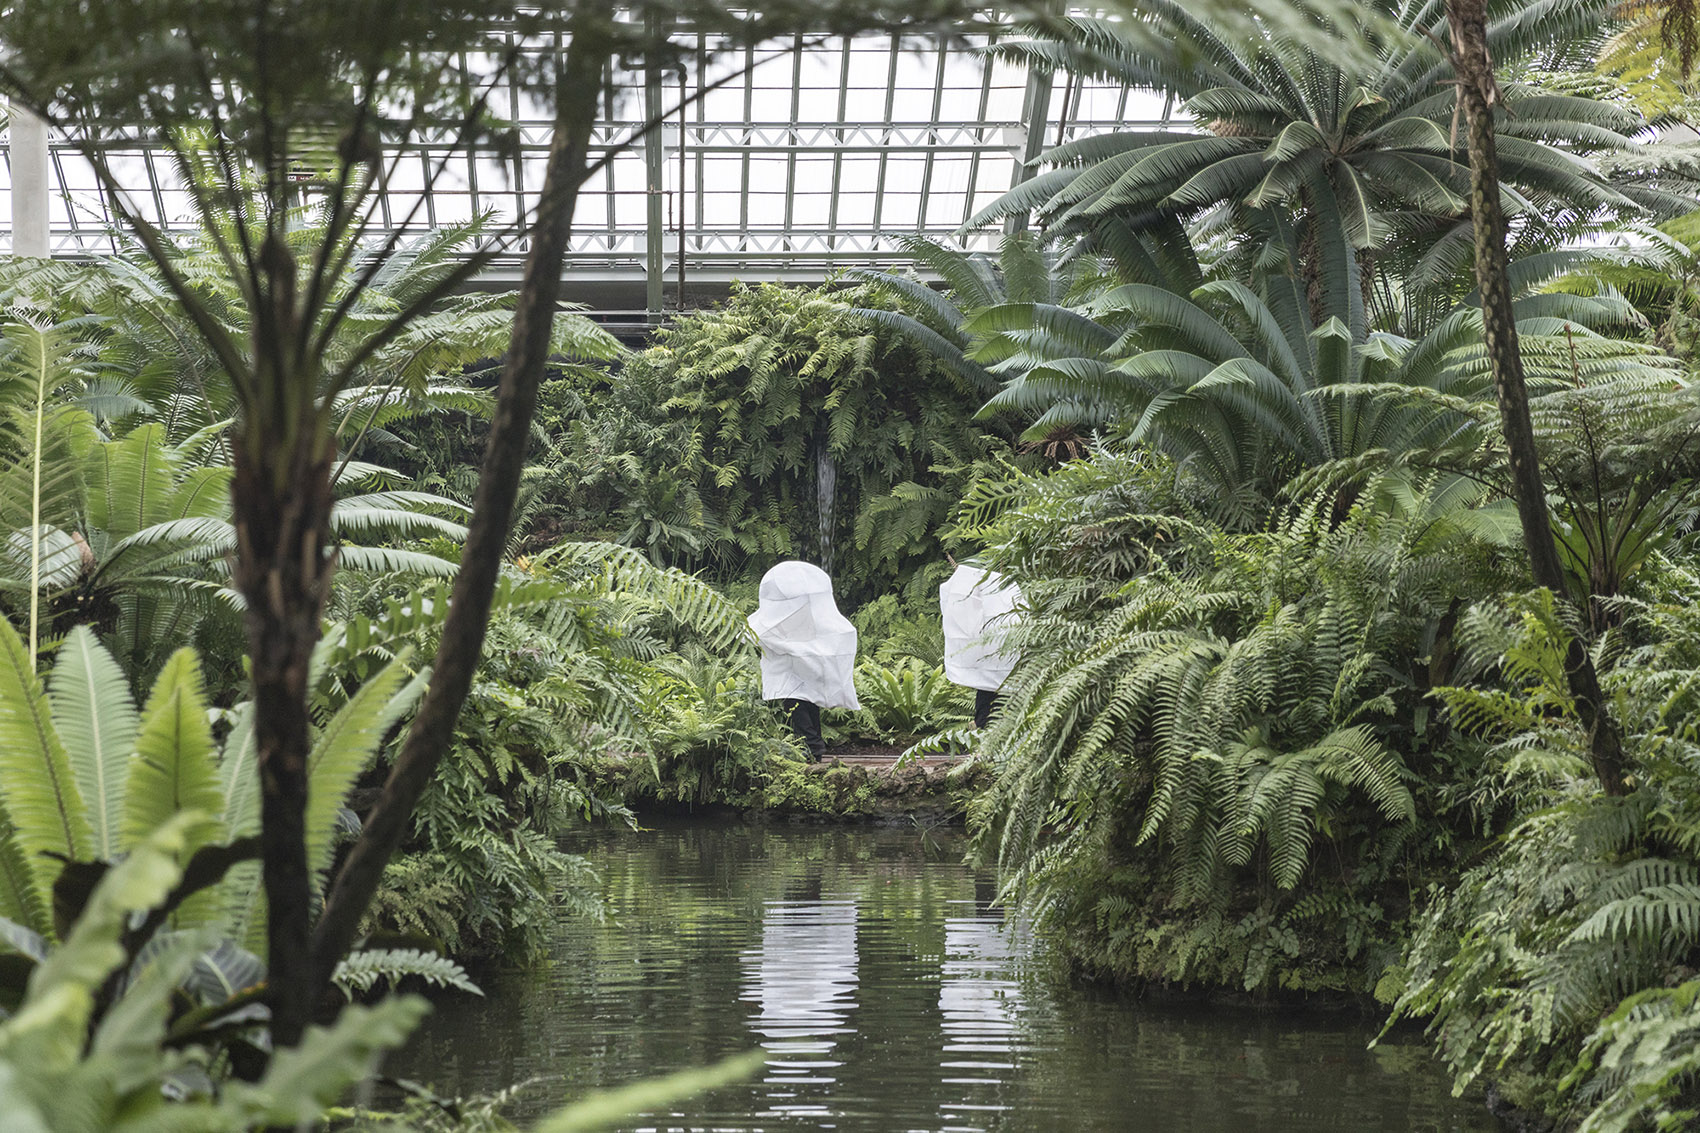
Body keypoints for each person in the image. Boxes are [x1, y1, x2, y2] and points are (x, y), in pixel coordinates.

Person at [748, 560, 859, 760]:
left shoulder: (797, 616)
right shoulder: (795, 615)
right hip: (801, 670)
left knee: (799, 707)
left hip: (794, 672)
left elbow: (767, 634)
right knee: (807, 704)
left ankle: (811, 750)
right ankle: (813, 748)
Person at [940, 563, 1021, 728]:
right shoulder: (998, 600)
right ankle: (984, 735)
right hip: (994, 665)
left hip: (1003, 666)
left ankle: (986, 735)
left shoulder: (1007, 598)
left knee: (994, 702)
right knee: (988, 701)